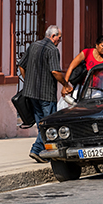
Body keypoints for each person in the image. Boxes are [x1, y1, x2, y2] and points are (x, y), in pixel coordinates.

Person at [20, 25, 70, 162]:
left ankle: (44, 150)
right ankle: (36, 149)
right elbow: (55, 72)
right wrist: (66, 84)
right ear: (53, 36)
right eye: (59, 38)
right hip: (46, 94)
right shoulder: (52, 50)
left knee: (40, 123)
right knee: (48, 124)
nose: (59, 41)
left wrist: (28, 81)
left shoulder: (33, 45)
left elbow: (21, 65)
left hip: (32, 93)